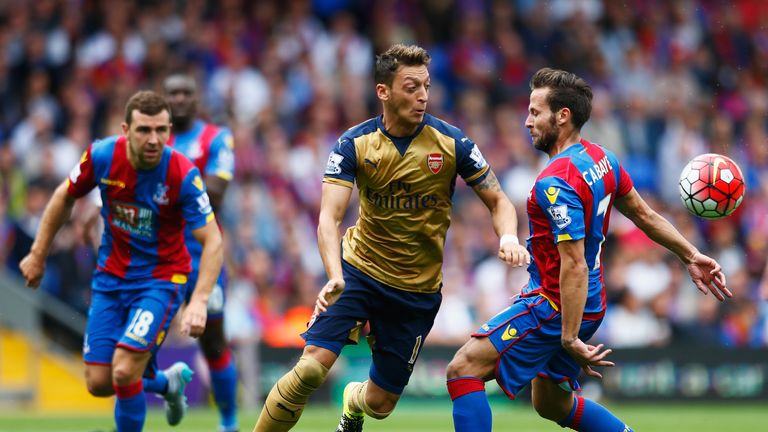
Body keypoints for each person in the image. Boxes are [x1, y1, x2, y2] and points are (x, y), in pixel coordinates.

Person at [253, 43, 530, 432]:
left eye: (426, 86)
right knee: (310, 370)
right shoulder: (354, 143)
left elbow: (498, 200)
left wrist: (509, 237)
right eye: (411, 86)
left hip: (415, 290)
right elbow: (328, 219)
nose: (422, 96)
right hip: (358, 272)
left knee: (380, 405)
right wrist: (334, 274)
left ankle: (352, 400)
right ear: (383, 91)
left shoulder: (451, 143)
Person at [445, 68, 732, 432]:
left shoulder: (554, 183)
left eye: (535, 112)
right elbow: (643, 214)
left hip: (555, 304)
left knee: (462, 369)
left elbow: (575, 263)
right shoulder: (602, 158)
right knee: (551, 404)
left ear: (562, 116)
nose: (527, 121)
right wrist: (691, 254)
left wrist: (568, 336)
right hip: (590, 303)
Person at [19, 90, 224, 432]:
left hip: (162, 281)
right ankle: (165, 384)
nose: (154, 139)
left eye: (161, 130)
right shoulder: (102, 156)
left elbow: (213, 239)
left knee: (125, 370)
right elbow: (62, 197)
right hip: (110, 281)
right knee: (99, 382)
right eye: (144, 130)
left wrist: (199, 300)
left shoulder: (182, 174)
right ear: (125, 130)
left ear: (170, 130)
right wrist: (38, 254)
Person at [163, 73, 239, 432]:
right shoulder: (154, 136)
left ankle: (228, 422)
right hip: (160, 256)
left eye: (186, 93)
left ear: (196, 99)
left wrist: (160, 189)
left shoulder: (217, 137)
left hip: (204, 255)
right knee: (142, 340)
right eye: (172, 93)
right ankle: (165, 386)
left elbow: (217, 193)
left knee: (213, 341)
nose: (179, 99)